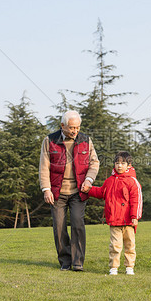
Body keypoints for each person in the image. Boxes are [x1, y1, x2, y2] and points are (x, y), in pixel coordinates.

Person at [39, 110, 99, 271]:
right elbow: (44, 167)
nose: (75, 131)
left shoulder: (86, 140)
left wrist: (89, 179)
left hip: (79, 191)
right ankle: (65, 261)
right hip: (57, 192)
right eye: (72, 128)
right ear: (62, 126)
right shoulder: (49, 140)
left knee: (77, 223)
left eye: (78, 128)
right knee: (59, 226)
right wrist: (46, 189)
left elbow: (94, 163)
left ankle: (78, 261)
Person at [84, 151, 143, 275]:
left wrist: (135, 216)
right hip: (114, 220)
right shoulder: (109, 181)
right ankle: (114, 267)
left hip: (128, 221)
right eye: (117, 163)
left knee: (130, 245)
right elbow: (101, 192)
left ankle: (129, 267)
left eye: (122, 163)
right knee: (115, 245)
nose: (119, 166)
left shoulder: (133, 181)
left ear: (129, 165)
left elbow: (136, 200)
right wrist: (89, 190)